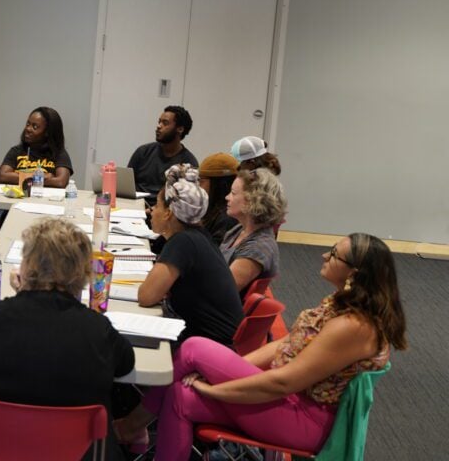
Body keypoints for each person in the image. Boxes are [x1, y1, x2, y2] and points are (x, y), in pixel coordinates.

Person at [135, 233, 407, 461]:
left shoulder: (353, 326)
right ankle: (135, 434)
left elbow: (283, 383)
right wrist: (220, 372)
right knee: (181, 396)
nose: (325, 255)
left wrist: (215, 388)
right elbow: (286, 344)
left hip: (306, 419)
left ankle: (131, 427)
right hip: (290, 403)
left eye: (334, 254)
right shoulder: (341, 304)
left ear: (354, 274)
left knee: (193, 348)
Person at [0, 217, 134, 461]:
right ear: (81, 272)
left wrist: (24, 293)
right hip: (79, 453)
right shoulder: (96, 328)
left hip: (0, 448)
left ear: (28, 267)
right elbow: (126, 364)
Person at [137, 164, 243, 346]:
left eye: (157, 205)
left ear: (169, 213)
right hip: (214, 340)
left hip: (209, 346)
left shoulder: (183, 242)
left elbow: (146, 296)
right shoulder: (197, 235)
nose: (152, 211)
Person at [0, 107, 73, 243]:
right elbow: (3, 176)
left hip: (46, 209)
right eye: (28, 124)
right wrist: (41, 176)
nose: (28, 129)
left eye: (35, 126)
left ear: (47, 133)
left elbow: (61, 182)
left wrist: (19, 176)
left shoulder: (58, 153)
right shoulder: (17, 151)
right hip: (16, 206)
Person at [220, 169, 287, 296]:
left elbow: (221, 292)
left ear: (252, 201)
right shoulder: (239, 229)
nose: (227, 197)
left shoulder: (258, 248)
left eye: (233, 193)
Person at [128, 106, 198, 207]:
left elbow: (185, 202)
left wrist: (156, 211)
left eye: (165, 123)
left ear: (180, 129)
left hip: (164, 215)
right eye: (159, 122)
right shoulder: (143, 152)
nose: (158, 126)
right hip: (134, 207)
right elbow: (127, 185)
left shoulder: (188, 163)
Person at [197, 152, 240, 246]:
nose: (197, 187)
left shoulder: (228, 218)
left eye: (201, 181)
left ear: (218, 185)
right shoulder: (212, 211)